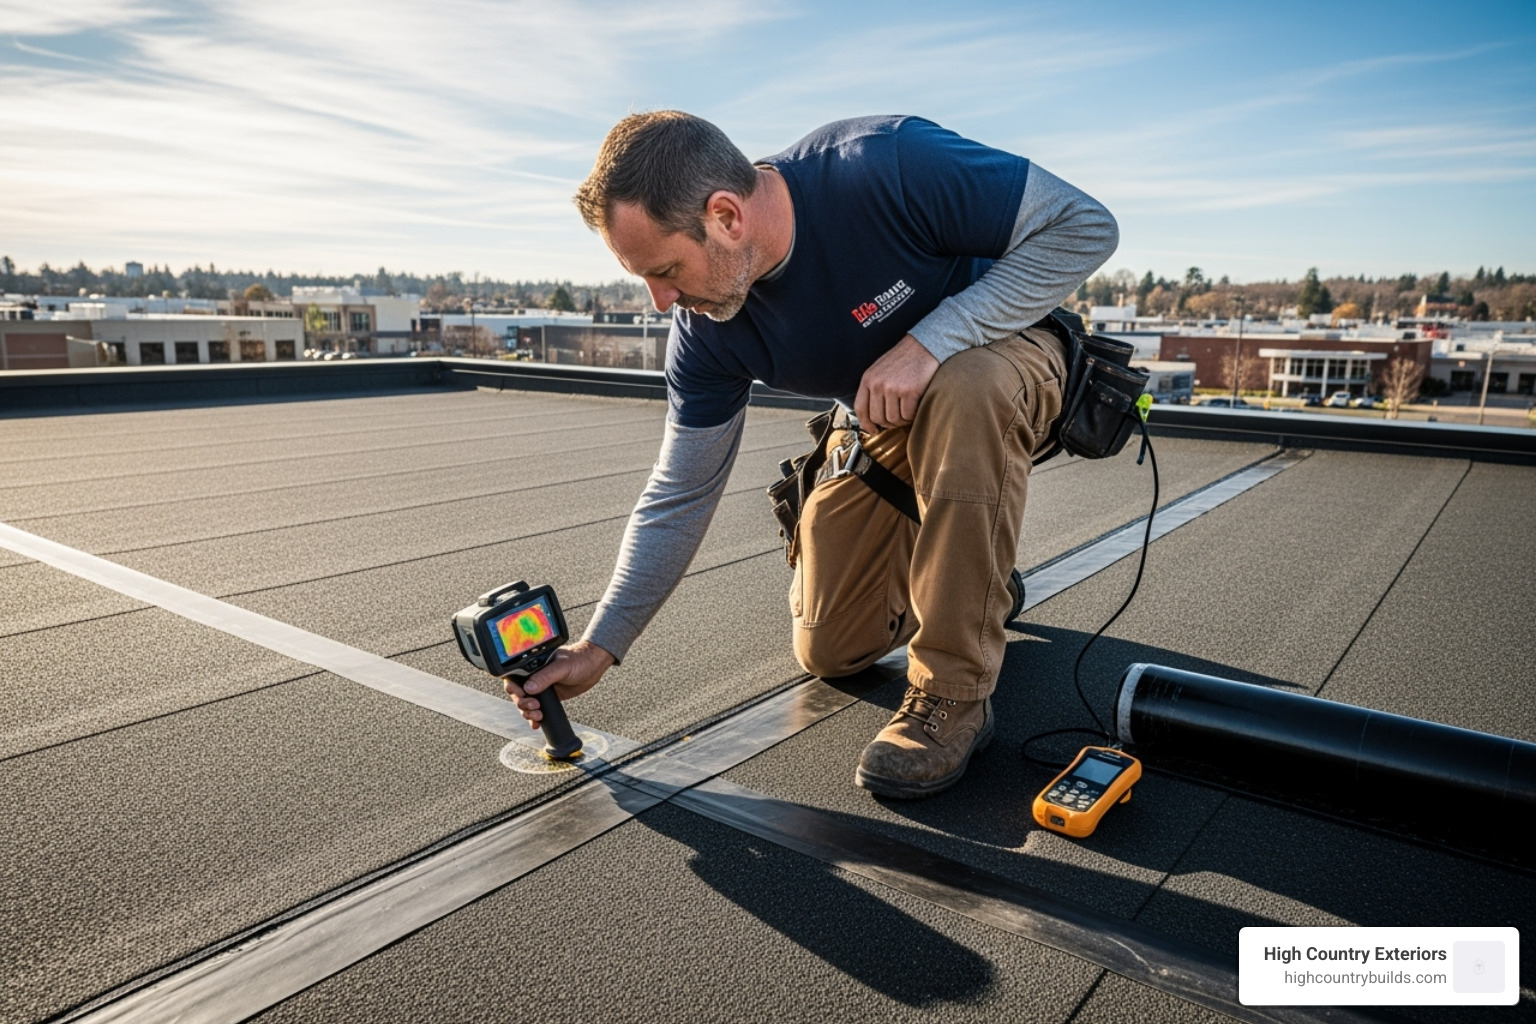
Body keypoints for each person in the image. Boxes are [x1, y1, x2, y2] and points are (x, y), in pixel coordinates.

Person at [507, 112, 1117, 797]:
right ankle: (979, 589)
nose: (661, 302)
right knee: (833, 648)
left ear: (727, 216)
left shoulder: (886, 166)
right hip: (883, 417)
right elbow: (681, 490)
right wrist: (600, 646)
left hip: (1006, 362)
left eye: (667, 270)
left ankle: (954, 696)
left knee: (965, 386)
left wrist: (934, 342)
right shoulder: (707, 331)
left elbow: (1086, 226)